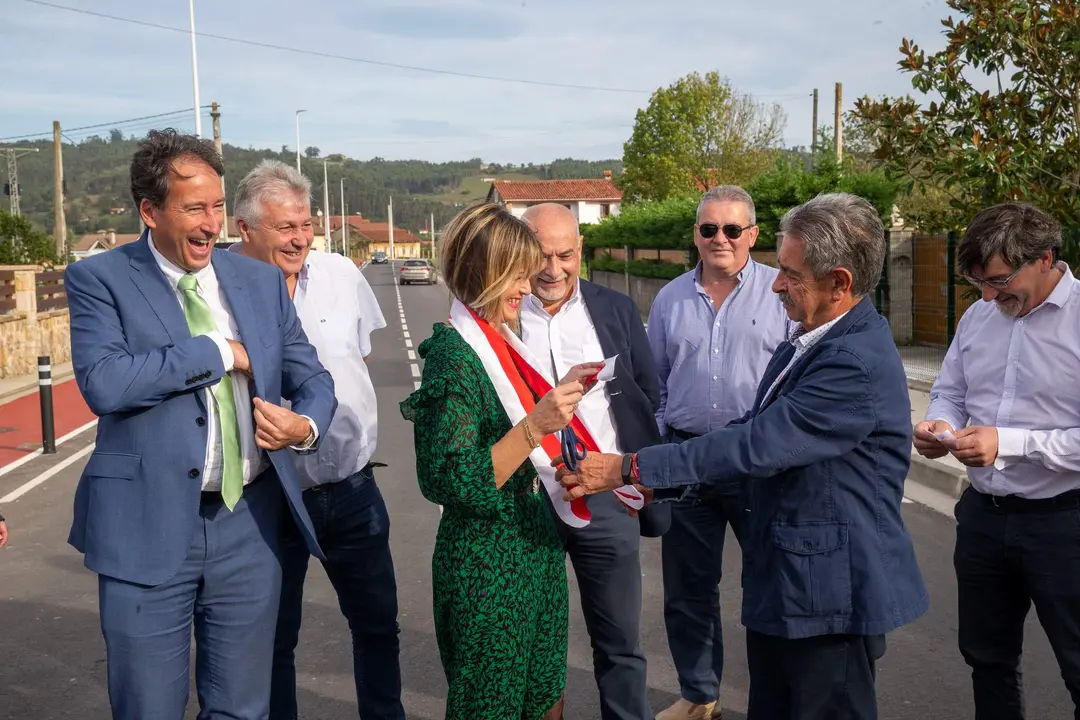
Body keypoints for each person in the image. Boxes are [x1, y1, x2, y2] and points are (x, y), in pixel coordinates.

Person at [557, 192, 929, 720]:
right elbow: (749, 423)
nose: (775, 283)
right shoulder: (810, 335)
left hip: (828, 595)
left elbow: (757, 444)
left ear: (840, 283)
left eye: (792, 274)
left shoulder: (850, 360)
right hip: (791, 586)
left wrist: (627, 467)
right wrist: (657, 467)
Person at [65, 130, 336, 720]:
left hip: (249, 523)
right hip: (146, 525)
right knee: (148, 709)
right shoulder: (100, 278)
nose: (212, 224)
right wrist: (217, 351)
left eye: (217, 207)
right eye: (194, 209)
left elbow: (313, 377)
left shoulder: (258, 282)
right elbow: (105, 384)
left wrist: (305, 426)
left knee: (243, 709)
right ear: (150, 211)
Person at [401, 201, 595, 720]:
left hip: (533, 548)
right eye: (517, 277)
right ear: (483, 274)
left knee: (545, 694)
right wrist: (536, 425)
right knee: (491, 706)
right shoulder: (454, 354)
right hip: (488, 563)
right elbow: (450, 479)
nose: (529, 289)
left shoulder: (502, 340)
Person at [230, 160, 404, 720]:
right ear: (245, 229)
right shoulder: (219, 290)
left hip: (351, 489)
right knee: (275, 643)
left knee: (377, 625)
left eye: (305, 224)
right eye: (285, 227)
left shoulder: (338, 274)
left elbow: (360, 356)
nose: (300, 238)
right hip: (270, 498)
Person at [914, 203, 1080, 720]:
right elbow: (949, 390)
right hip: (983, 517)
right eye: (978, 283)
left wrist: (1008, 442)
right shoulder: (980, 315)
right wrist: (937, 424)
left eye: (999, 281)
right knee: (987, 660)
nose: (988, 295)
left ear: (1046, 258)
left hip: (1064, 524)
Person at [645, 185, 789, 720]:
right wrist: (657, 450)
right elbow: (653, 383)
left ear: (753, 234)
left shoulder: (781, 294)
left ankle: (772, 700)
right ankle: (699, 696)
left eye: (732, 229)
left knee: (768, 586)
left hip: (756, 462)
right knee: (687, 590)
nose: (720, 239)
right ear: (696, 236)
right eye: (709, 229)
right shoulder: (670, 299)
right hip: (686, 460)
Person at [519, 203, 667, 720]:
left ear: (580, 249)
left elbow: (649, 396)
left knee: (621, 645)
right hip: (526, 503)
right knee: (532, 647)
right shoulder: (497, 315)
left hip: (604, 498)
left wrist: (642, 474)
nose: (553, 269)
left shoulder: (616, 309)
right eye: (541, 254)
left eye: (564, 255)